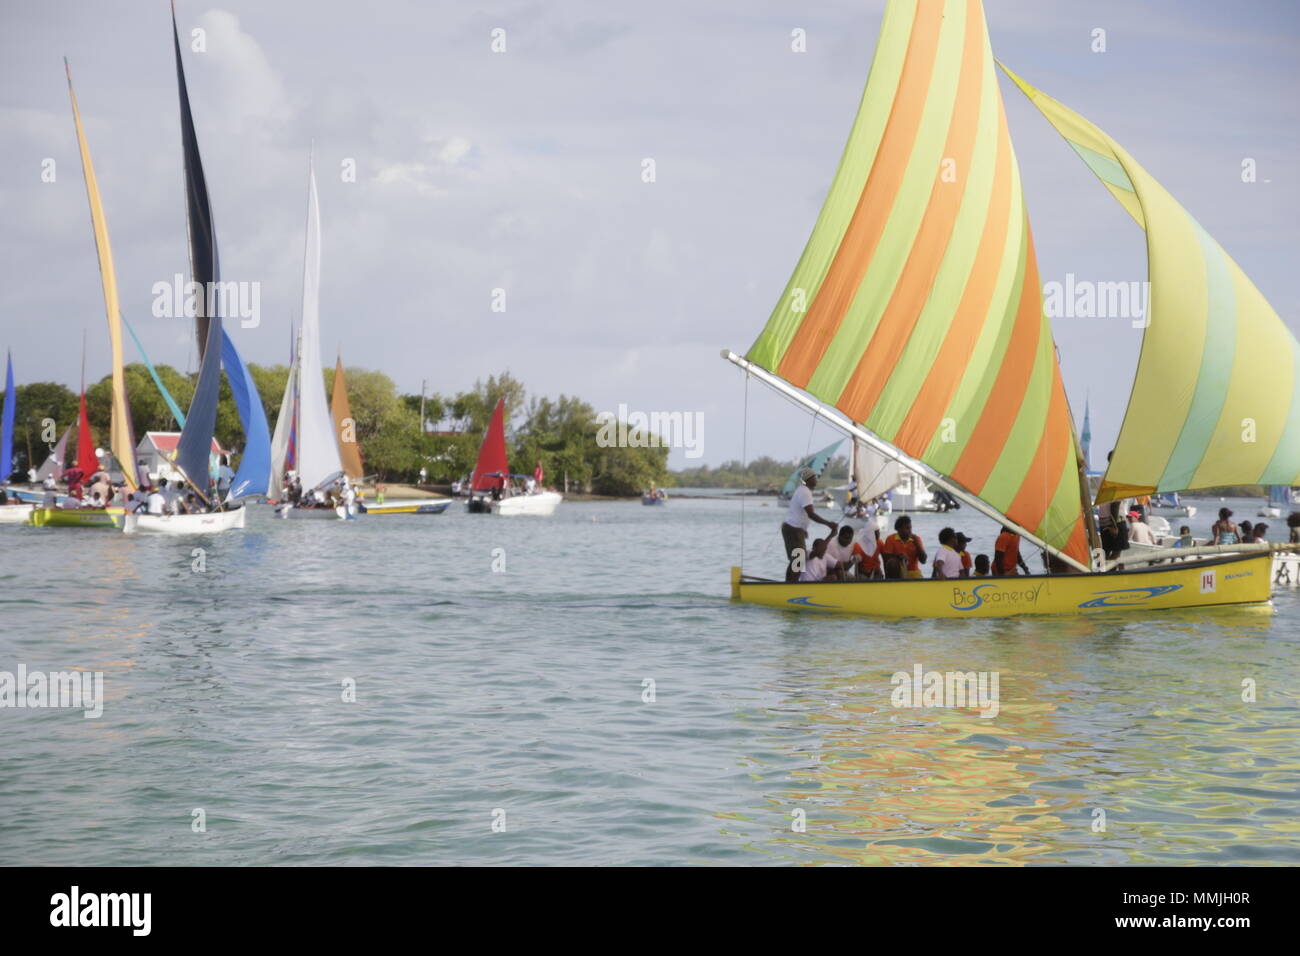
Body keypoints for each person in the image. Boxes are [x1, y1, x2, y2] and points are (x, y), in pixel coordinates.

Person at [781, 466, 838, 583]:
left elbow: (800, 514)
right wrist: (828, 524)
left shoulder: (802, 490)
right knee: (799, 559)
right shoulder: (805, 492)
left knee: (797, 559)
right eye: (814, 477)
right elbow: (811, 514)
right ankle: (791, 585)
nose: (816, 479)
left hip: (795, 529)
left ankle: (790, 583)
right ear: (809, 479)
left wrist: (804, 529)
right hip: (793, 530)